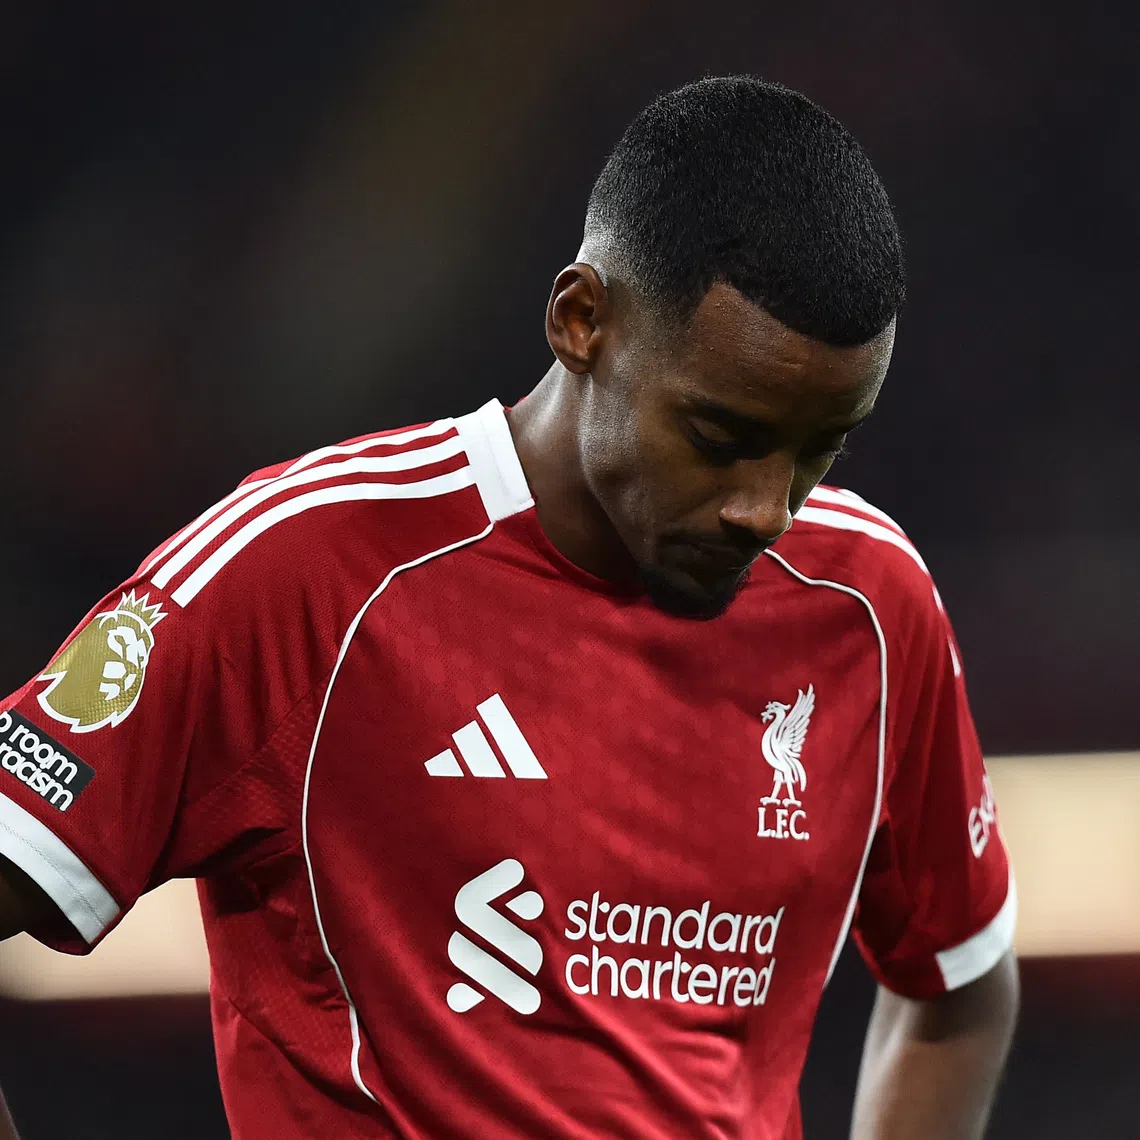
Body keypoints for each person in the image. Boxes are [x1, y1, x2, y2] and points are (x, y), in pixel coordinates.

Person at [0, 76, 1017, 1139]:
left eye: (820, 450)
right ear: (583, 320)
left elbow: (960, 981)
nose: (766, 508)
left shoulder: (867, 603)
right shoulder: (306, 570)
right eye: (720, 437)